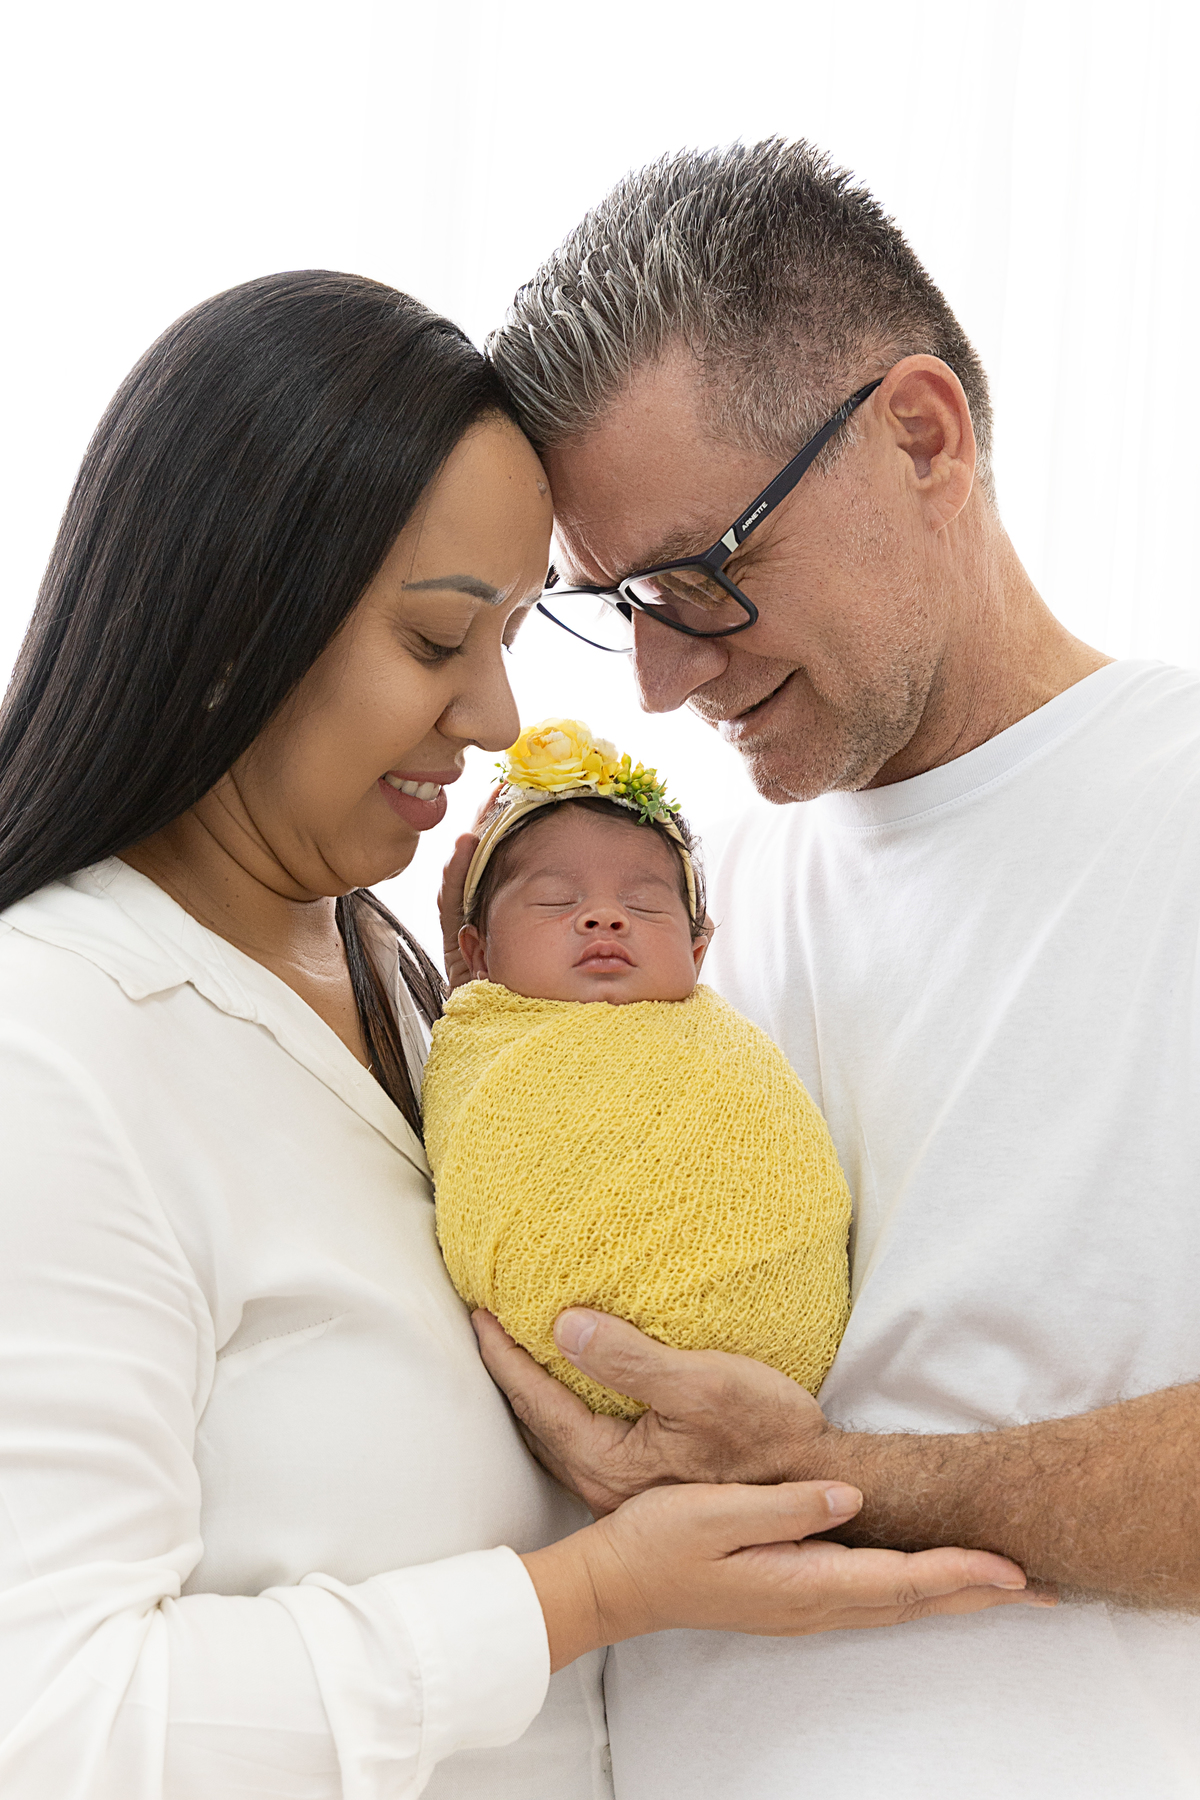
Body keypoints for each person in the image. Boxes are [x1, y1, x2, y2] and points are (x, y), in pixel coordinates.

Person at [0, 269, 1037, 1800]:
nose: (495, 714)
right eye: (435, 644)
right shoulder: (55, 1046)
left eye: (506, 633)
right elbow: (53, 1726)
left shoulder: (422, 994)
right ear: (228, 622)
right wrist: (599, 1593)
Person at [476, 140, 1200, 1796]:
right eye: (617, 608)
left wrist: (842, 1480)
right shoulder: (675, 922)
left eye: (701, 579)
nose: (661, 680)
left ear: (922, 437)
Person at [424, 719, 851, 1417]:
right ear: (478, 953)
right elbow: (469, 1146)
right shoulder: (480, 1043)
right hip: (576, 1341)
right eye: (556, 901)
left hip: (777, 1365)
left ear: (698, 951)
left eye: (645, 904)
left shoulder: (722, 1046)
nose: (603, 918)